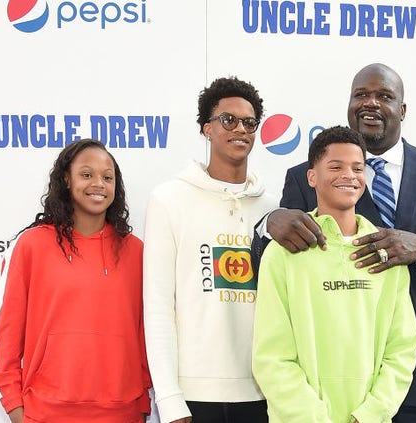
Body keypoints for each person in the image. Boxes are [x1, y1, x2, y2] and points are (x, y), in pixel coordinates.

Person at [255, 63, 416, 422]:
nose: (371, 103)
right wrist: (268, 222)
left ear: (403, 109)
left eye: (384, 96)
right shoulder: (305, 177)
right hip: (333, 392)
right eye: (361, 95)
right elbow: (275, 265)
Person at [252, 125, 416, 422]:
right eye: (336, 166)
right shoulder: (282, 253)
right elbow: (271, 358)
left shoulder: (385, 250)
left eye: (358, 168)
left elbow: (402, 350)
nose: (349, 175)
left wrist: (369, 415)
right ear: (311, 177)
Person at [0, 139, 151, 423]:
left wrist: (143, 405)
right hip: (45, 413)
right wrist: (14, 407)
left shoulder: (136, 252)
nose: (98, 184)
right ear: (66, 179)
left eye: (107, 177)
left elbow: (147, 335)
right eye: (86, 174)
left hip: (123, 414)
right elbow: (5, 337)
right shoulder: (30, 246)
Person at [143, 76, 276, 423]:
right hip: (193, 396)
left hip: (264, 393)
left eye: (249, 122)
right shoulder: (168, 199)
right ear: (207, 128)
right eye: (228, 120)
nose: (240, 129)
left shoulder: (273, 208)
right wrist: (169, 399)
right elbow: (158, 308)